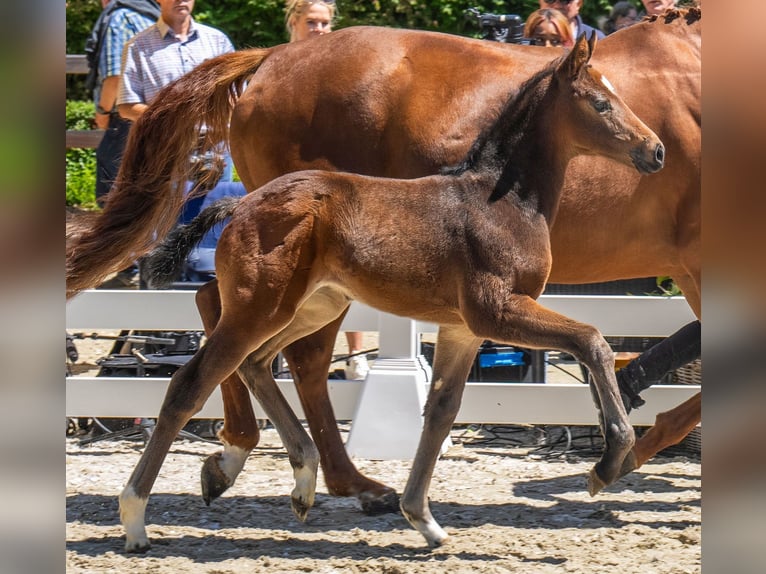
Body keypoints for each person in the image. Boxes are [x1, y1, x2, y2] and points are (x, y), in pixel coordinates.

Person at [284, 1, 367, 380]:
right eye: (312, 22)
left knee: (347, 263)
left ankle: (356, 353)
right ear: (294, 22)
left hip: (333, 175)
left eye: (325, 23)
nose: (320, 29)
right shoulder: (279, 68)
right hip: (293, 175)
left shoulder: (342, 70)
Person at [117, 0, 235, 184]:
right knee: (170, 212)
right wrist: (174, 122)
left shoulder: (218, 41)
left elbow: (235, 97)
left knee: (216, 211)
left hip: (216, 150)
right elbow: (127, 106)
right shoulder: (137, 46)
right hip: (164, 151)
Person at [87, 0, 160, 288]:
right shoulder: (155, 16)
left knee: (114, 196)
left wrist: (103, 112)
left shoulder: (120, 18)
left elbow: (115, 77)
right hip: (156, 119)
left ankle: (128, 269)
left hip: (126, 119)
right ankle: (148, 273)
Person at [539, 0, 605, 40]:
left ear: (578, 4)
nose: (557, 6)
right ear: (540, 2)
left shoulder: (595, 39)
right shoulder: (529, 34)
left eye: (565, 0)